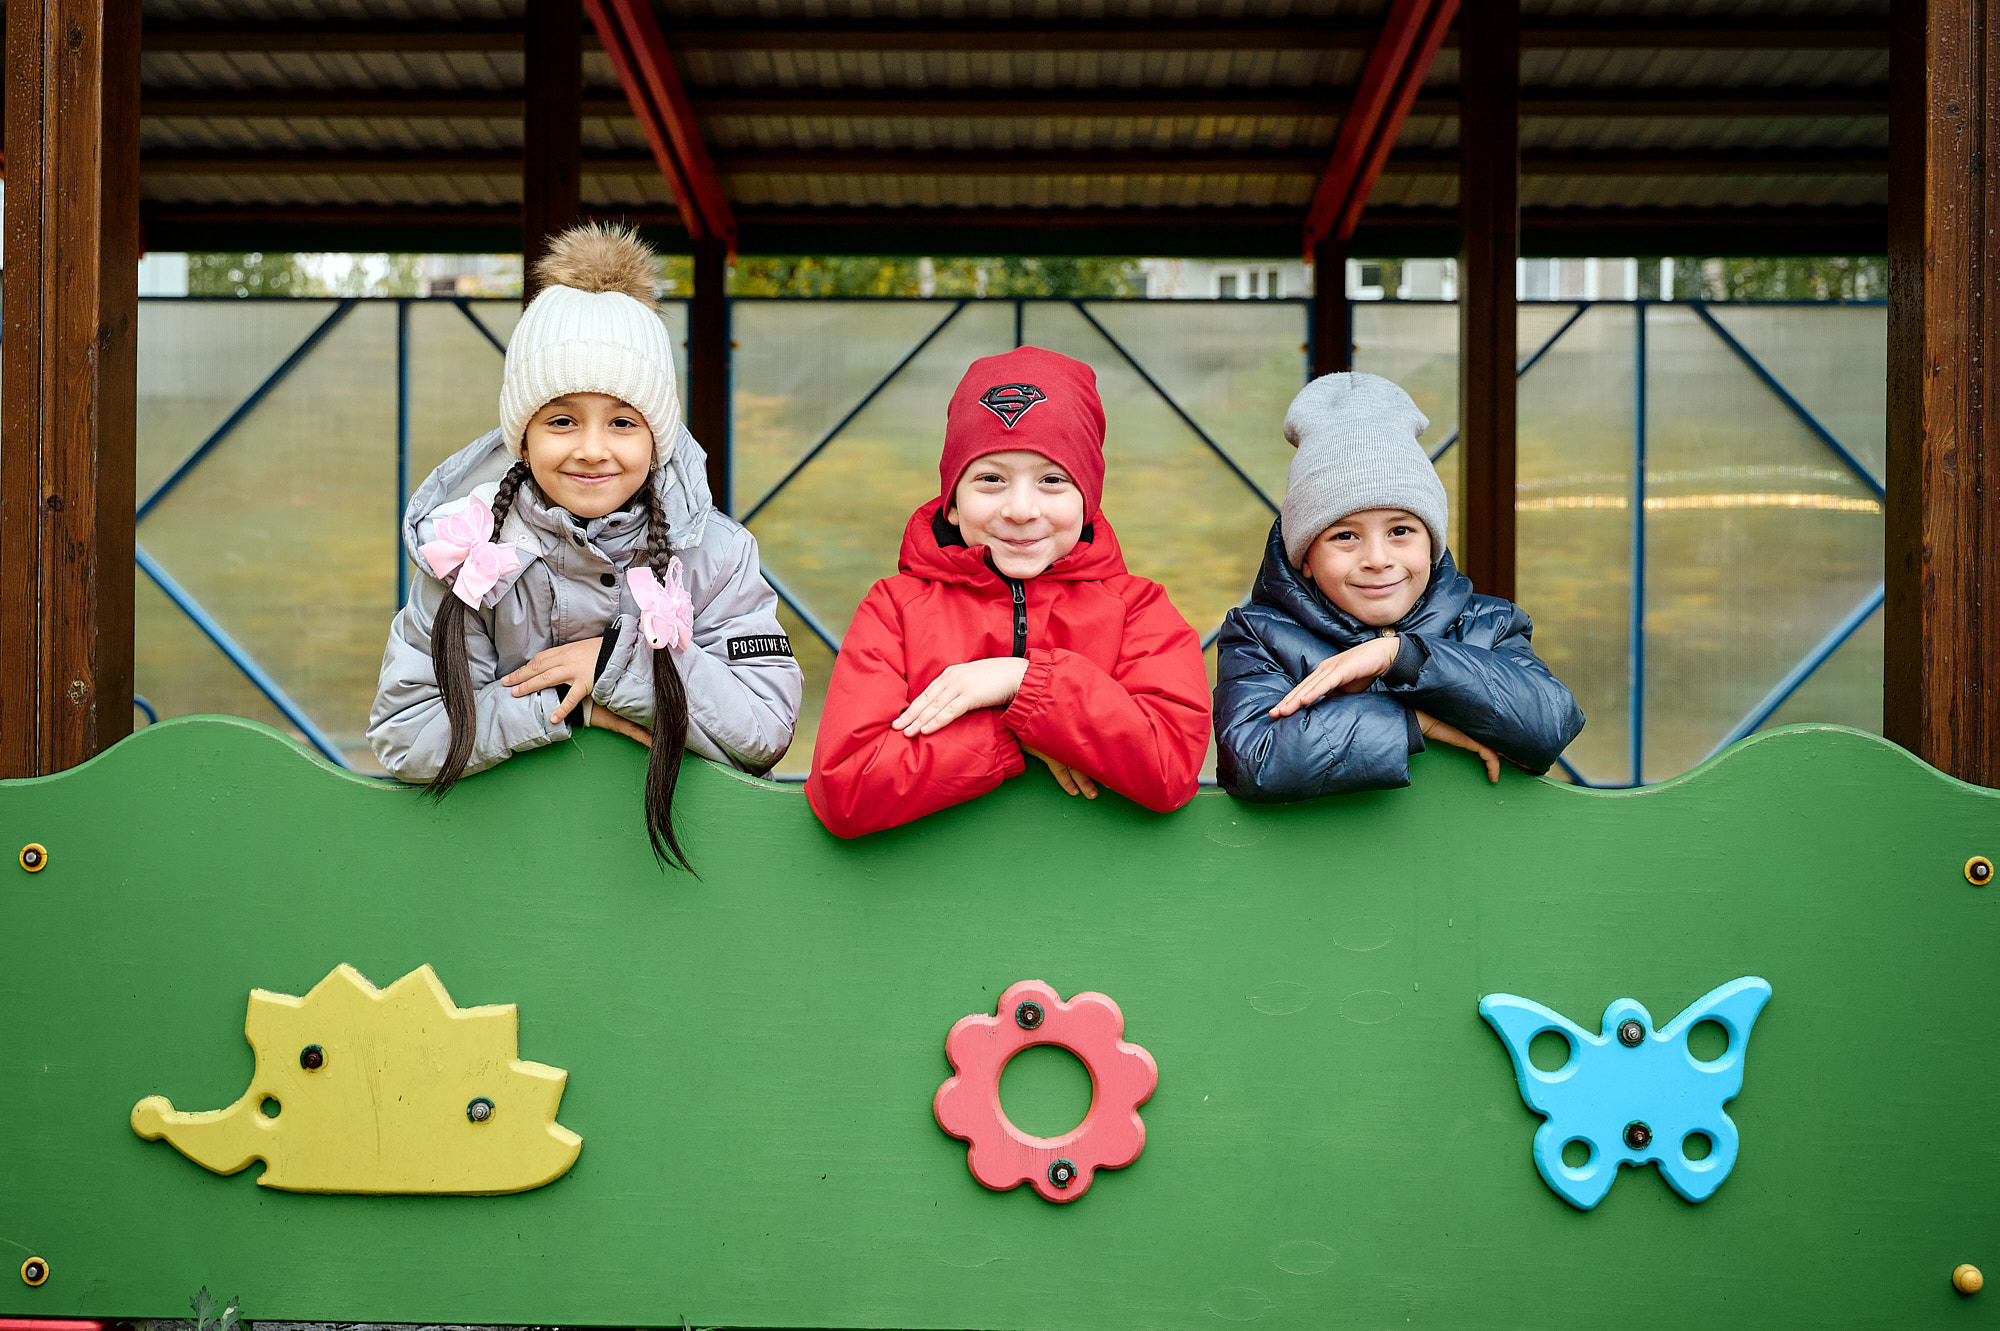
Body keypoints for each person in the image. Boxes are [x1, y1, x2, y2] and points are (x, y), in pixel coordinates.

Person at [369, 224, 802, 866]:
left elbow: (764, 727)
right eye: (563, 420)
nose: (593, 448)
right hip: (510, 859)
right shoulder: (465, 553)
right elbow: (407, 735)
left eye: (623, 422)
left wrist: (612, 667)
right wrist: (570, 711)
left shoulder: (715, 554)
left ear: (657, 437)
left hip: (685, 869)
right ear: (522, 436)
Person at [806, 346, 1211, 838]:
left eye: (1052, 480)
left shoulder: (1139, 610)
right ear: (952, 501)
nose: (1021, 509)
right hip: (930, 902)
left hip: (1103, 903)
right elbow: (846, 791)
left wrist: (1020, 679)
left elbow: (1167, 768)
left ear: (1088, 500)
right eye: (991, 479)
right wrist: (1018, 728)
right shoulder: (895, 609)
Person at [1215, 371, 1583, 801]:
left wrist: (1403, 658)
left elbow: (1551, 722)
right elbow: (1251, 759)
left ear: (1431, 543)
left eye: (1401, 530)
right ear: (1306, 558)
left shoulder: (1492, 625)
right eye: (1344, 536)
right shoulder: (1259, 635)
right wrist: (1413, 721)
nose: (1377, 558)